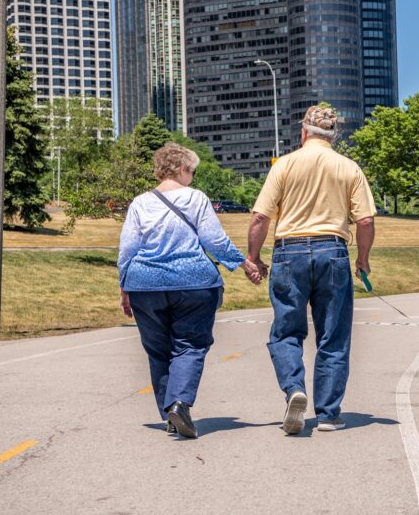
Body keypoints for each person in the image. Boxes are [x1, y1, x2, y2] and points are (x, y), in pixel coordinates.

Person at [118, 142, 262, 438]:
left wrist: (125, 287)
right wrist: (244, 264)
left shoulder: (140, 203)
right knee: (190, 345)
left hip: (145, 285)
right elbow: (214, 240)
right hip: (194, 284)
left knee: (158, 351)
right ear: (181, 169)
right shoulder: (195, 198)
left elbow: (127, 250)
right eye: (192, 171)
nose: (192, 177)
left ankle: (170, 412)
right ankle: (179, 404)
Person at [247, 104, 376, 434]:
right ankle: (329, 413)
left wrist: (254, 256)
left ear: (303, 132)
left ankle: (295, 390)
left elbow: (261, 217)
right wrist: (362, 259)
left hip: (290, 250)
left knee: (286, 330)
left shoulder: (285, 165)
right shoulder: (348, 168)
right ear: (334, 136)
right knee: (333, 335)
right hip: (332, 250)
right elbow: (365, 220)